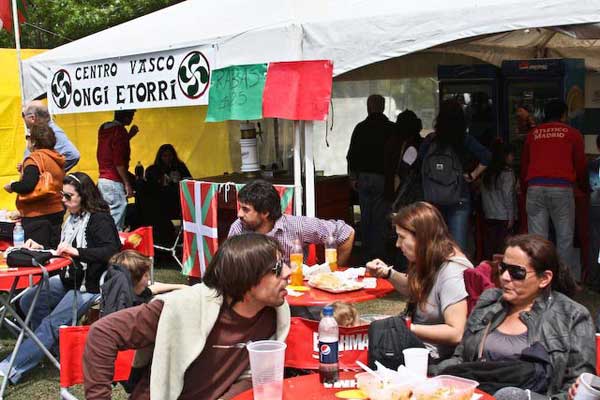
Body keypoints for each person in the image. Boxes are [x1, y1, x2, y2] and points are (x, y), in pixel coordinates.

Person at [83, 233, 292, 400]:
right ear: (246, 279)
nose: (288, 272)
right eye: (277, 268)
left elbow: (252, 375)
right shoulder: (184, 307)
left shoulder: (273, 315)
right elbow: (103, 332)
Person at [437, 234, 595, 399]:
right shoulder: (489, 301)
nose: (505, 277)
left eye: (516, 272)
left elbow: (578, 390)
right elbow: (460, 359)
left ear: (544, 279)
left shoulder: (572, 316)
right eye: (502, 267)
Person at [0, 172, 121, 384]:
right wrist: (42, 248)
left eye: (68, 196)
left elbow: (112, 251)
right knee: (29, 301)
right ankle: (52, 350)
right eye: (62, 196)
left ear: (83, 196)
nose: (63, 201)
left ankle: (9, 368)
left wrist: (78, 252)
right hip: (68, 277)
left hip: (88, 285)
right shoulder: (72, 217)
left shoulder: (99, 219)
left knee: (53, 322)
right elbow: (61, 248)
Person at [367, 201, 472, 363]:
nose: (397, 244)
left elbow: (456, 332)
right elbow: (418, 290)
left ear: (422, 238)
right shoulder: (431, 258)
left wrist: (407, 327)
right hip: (416, 349)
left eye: (402, 237)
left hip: (432, 359)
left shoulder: (452, 272)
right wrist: (388, 273)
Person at [521, 100, 588, 273]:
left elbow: (524, 165)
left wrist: (524, 188)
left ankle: (537, 278)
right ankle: (564, 281)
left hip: (535, 187)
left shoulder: (533, 134)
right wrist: (584, 187)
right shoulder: (573, 134)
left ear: (544, 114)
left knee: (537, 240)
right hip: (562, 188)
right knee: (564, 237)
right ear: (564, 115)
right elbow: (580, 165)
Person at [419, 99, 491, 251]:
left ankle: (437, 274)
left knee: (435, 247)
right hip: (459, 198)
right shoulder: (465, 140)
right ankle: (457, 274)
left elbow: (418, 163)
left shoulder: (430, 139)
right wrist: (472, 175)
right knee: (457, 248)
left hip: (433, 200)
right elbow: (487, 157)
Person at [228, 180, 355, 265]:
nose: (239, 214)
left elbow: (346, 232)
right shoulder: (238, 228)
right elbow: (230, 267)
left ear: (265, 212)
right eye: (240, 208)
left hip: (295, 293)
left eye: (245, 209)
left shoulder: (297, 226)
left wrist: (334, 273)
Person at [346, 94, 397, 262]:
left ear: (369, 107)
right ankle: (380, 256)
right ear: (382, 107)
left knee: (366, 218)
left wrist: (353, 177)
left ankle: (367, 256)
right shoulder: (391, 128)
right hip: (383, 179)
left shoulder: (360, 128)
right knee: (381, 218)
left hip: (364, 179)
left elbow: (351, 155)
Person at [3, 123, 65, 248]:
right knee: (52, 250)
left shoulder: (34, 159)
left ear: (34, 141)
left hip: (37, 215)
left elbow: (27, 185)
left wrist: (12, 186)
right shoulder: (55, 157)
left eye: (28, 137)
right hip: (56, 210)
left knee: (37, 252)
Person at [101, 249, 187, 316]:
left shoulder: (128, 292)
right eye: (146, 275)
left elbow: (153, 289)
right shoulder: (122, 308)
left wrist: (181, 286)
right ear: (134, 278)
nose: (149, 278)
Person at [97, 109, 140, 231]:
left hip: (103, 180)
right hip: (114, 181)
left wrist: (129, 136)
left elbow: (112, 146)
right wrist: (127, 184)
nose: (132, 119)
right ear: (126, 117)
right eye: (131, 116)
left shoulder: (104, 128)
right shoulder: (120, 131)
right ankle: (114, 247)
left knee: (106, 217)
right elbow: (118, 162)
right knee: (116, 221)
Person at [140, 144, 192, 245]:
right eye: (165, 156)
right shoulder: (153, 169)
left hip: (179, 200)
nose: (168, 158)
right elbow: (149, 188)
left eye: (170, 155)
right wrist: (161, 181)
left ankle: (185, 235)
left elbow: (190, 180)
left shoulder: (180, 167)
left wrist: (180, 180)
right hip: (160, 204)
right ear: (160, 157)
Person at [480, 141, 517, 259]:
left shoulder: (486, 172)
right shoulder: (507, 173)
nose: (514, 157)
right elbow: (508, 196)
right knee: (502, 250)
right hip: (504, 216)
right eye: (512, 154)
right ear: (505, 156)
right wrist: (511, 216)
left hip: (489, 215)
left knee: (490, 248)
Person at [21, 100, 80, 172]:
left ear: (32, 118)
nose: (23, 119)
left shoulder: (52, 131)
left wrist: (50, 171)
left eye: (23, 115)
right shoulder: (40, 131)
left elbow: (73, 155)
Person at [588, 134, 600, 292]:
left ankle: (596, 281)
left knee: (596, 243)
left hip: (596, 205)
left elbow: (591, 186)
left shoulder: (593, 165)